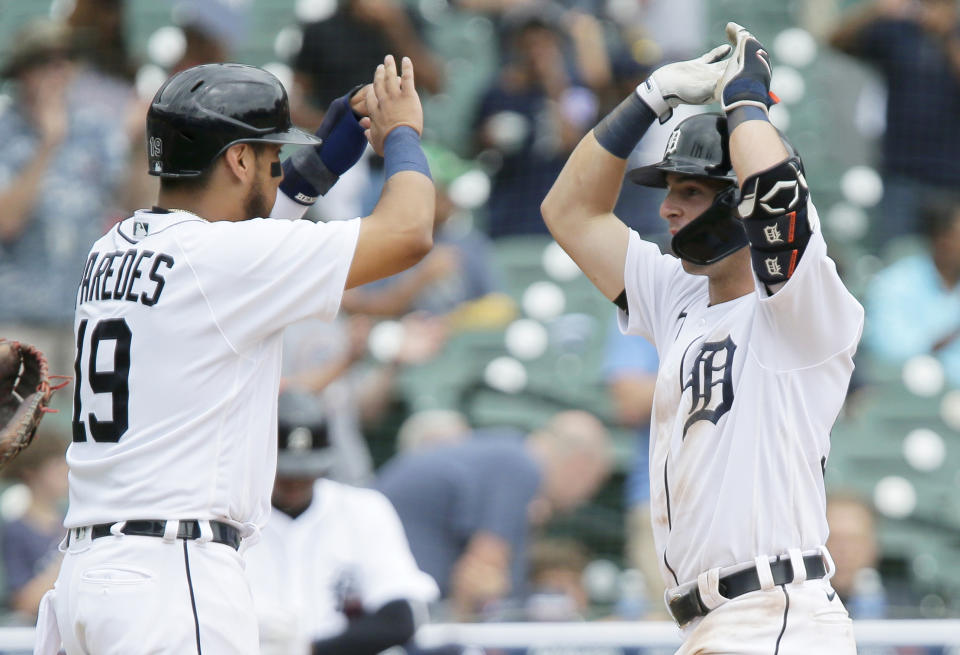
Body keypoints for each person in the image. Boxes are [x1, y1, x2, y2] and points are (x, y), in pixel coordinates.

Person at [42, 55, 435, 655]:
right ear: (238, 159)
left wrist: (318, 164)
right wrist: (401, 135)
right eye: (270, 157)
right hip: (172, 577)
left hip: (84, 578)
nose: (280, 172)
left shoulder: (112, 246)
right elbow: (409, 232)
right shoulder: (221, 260)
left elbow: (250, 237)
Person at [540, 22, 863, 653]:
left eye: (689, 191)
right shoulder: (679, 297)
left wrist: (746, 101)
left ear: (736, 201)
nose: (668, 208)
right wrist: (651, 96)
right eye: (670, 190)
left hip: (774, 612)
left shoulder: (802, 310)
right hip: (711, 622)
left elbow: (775, 197)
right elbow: (570, 213)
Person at [244, 391, 439, 655]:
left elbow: (401, 618)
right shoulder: (230, 518)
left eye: (305, 472)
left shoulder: (363, 509)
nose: (296, 483)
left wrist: (307, 649)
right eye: (286, 473)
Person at [376, 410, 611, 619]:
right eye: (595, 482)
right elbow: (479, 579)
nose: (585, 497)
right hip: (390, 608)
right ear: (581, 465)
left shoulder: (505, 453)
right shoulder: (521, 465)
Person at [829, 0, 960, 249]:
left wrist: (948, 35)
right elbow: (837, 41)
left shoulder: (955, 34)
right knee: (894, 260)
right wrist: (878, 10)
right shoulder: (901, 31)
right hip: (902, 176)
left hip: (953, 179)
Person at [862, 193, 960, 386]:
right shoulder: (895, 282)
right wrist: (942, 341)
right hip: (907, 399)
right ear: (941, 239)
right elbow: (888, 348)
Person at [601, 316, 662, 616]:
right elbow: (629, 399)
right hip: (663, 503)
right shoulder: (648, 302)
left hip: (743, 502)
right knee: (675, 623)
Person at [0, 429, 68, 620]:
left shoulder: (71, 522)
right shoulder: (17, 530)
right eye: (56, 466)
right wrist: (67, 559)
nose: (65, 472)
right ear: (31, 472)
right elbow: (24, 602)